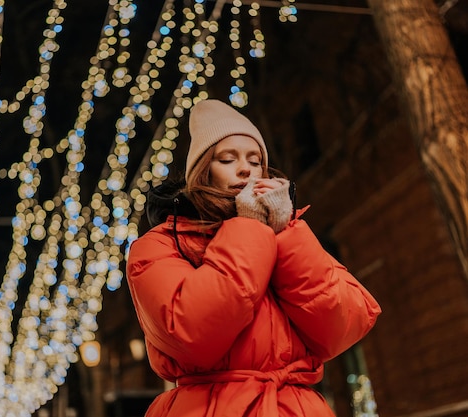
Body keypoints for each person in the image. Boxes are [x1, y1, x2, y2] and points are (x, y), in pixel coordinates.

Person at [125, 99, 381, 416]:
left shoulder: (287, 231)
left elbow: (345, 324)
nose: (246, 168)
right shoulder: (161, 244)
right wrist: (248, 227)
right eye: (227, 159)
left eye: (255, 160)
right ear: (203, 172)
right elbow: (192, 333)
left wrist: (285, 231)